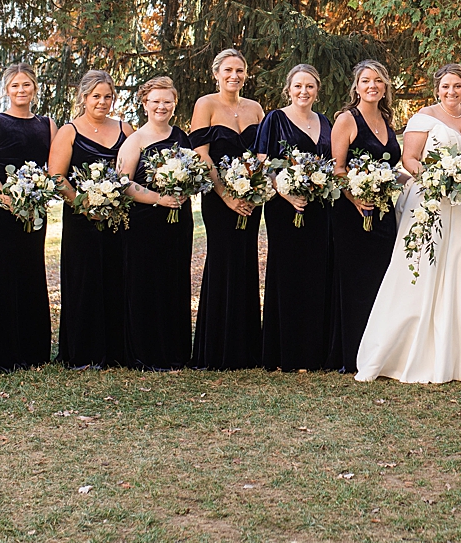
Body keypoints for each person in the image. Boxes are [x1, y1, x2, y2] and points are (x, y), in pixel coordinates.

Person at [356, 63, 461, 383]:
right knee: (424, 274)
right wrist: (434, 178)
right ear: (436, 89)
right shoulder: (423, 117)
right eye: (445, 87)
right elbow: (409, 159)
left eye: (457, 86)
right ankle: (410, 350)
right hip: (431, 202)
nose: (451, 92)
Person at [0, 63, 55, 372]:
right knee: (0, 277)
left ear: (35, 88)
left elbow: (53, 167)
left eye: (27, 85)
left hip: (34, 210)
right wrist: (8, 200)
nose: (21, 90)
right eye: (15, 85)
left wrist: (36, 198)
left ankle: (31, 350)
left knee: (30, 274)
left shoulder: (48, 124)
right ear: (7, 89)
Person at [253, 64, 336, 371]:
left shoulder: (324, 121)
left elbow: (330, 162)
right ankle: (284, 352)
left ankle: (313, 353)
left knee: (316, 274)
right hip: (284, 206)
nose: (304, 92)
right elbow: (262, 162)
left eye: (310, 86)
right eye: (298, 86)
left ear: (317, 90)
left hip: (318, 208)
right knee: (286, 273)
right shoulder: (275, 119)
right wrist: (287, 192)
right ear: (288, 88)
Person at [49, 70, 132, 368]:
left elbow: (133, 173)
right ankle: (83, 352)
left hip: (116, 220)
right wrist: (85, 205)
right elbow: (57, 177)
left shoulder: (125, 129)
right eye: (96, 96)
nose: (102, 102)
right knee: (84, 282)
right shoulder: (69, 131)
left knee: (115, 279)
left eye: (107, 96)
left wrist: (114, 201)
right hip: (81, 220)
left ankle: (116, 351)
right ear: (83, 97)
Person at [190, 49, 266, 370]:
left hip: (250, 199)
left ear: (246, 74)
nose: (234, 76)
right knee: (223, 260)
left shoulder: (257, 108)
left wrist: (252, 188)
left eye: (240, 70)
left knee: (247, 259)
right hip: (218, 198)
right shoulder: (205, 105)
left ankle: (248, 349)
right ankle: (217, 349)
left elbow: (262, 154)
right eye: (228, 70)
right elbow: (201, 155)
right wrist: (226, 195)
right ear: (216, 73)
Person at [327, 59, 402, 372]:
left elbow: (394, 168)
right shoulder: (347, 119)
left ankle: (378, 351)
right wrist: (356, 196)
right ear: (356, 87)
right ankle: (351, 354)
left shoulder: (387, 119)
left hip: (383, 213)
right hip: (351, 213)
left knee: (381, 280)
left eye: (379, 81)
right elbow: (337, 169)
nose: (373, 86)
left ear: (385, 88)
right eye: (366, 81)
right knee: (355, 283)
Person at [117, 76, 194, 370]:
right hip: (145, 223)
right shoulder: (135, 140)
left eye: (167, 101)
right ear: (144, 104)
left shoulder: (183, 137)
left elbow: (193, 172)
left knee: (174, 280)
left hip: (178, 222)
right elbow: (123, 184)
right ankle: (146, 352)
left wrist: (185, 189)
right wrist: (158, 198)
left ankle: (175, 351)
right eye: (156, 101)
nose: (161, 107)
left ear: (174, 104)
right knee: (146, 284)